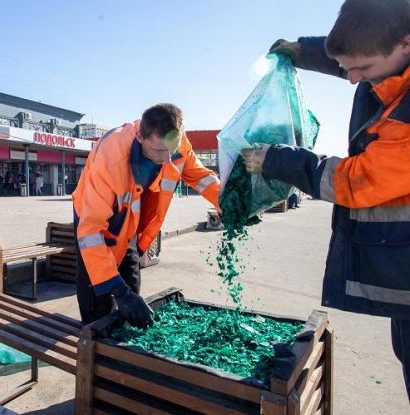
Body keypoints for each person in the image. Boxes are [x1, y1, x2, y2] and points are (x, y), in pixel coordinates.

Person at [241, 0, 410, 398]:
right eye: (348, 68)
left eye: (362, 71)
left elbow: (357, 182)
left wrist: (278, 159)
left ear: (406, 43)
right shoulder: (390, 57)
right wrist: (303, 50)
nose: (353, 80)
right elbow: (355, 57)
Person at [72, 103, 221, 327]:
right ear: (141, 136)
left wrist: (228, 203)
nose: (168, 160)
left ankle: (126, 338)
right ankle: (94, 346)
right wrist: (118, 291)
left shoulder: (175, 143)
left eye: (171, 151)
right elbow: (90, 230)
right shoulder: (110, 159)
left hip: (130, 216)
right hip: (92, 216)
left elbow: (201, 178)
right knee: (97, 288)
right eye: (159, 152)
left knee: (130, 278)